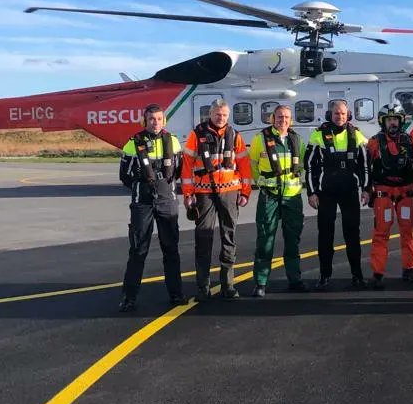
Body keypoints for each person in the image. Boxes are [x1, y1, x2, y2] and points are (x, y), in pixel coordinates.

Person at [181, 99, 252, 300]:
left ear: (228, 117)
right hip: (204, 194)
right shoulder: (197, 135)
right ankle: (203, 287)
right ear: (210, 115)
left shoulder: (234, 136)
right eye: (217, 115)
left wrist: (245, 192)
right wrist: (188, 194)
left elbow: (244, 165)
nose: (220, 118)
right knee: (203, 238)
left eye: (224, 115)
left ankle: (228, 284)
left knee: (229, 237)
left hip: (230, 193)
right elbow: (186, 166)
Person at [117, 104, 185, 312]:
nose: (155, 123)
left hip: (166, 201)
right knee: (138, 250)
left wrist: (163, 187)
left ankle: (176, 294)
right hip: (142, 203)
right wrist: (143, 187)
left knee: (171, 249)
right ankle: (129, 297)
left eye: (159, 119)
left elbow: (178, 169)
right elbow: (125, 175)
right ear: (145, 121)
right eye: (151, 119)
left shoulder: (172, 141)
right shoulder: (132, 144)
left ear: (164, 121)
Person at [304, 99, 371, 290]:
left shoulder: (356, 135)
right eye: (336, 113)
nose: (339, 117)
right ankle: (325, 275)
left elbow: (365, 165)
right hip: (327, 192)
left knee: (352, 234)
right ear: (330, 115)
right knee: (325, 235)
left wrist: (366, 189)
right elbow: (309, 166)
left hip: (349, 191)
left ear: (348, 114)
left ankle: (357, 275)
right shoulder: (318, 135)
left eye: (342, 113)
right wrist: (312, 192)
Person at [247, 104, 308, 297]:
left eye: (287, 117)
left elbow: (303, 166)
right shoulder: (260, 139)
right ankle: (261, 282)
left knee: (293, 241)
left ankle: (295, 280)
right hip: (270, 196)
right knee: (265, 240)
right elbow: (253, 164)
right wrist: (262, 182)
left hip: (292, 197)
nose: (283, 120)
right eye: (279, 117)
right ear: (273, 119)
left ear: (291, 120)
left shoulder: (297, 140)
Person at [366, 103, 413, 289]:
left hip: (406, 193)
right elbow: (367, 169)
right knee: (381, 233)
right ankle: (377, 273)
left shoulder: (409, 140)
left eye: (395, 120)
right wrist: (368, 191)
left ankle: (409, 269)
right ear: (383, 122)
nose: (393, 123)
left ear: (401, 121)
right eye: (389, 120)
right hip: (384, 194)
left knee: (408, 232)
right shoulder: (374, 142)